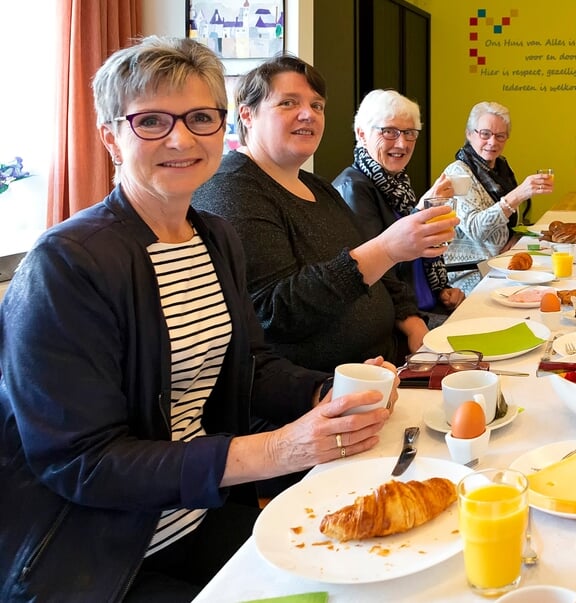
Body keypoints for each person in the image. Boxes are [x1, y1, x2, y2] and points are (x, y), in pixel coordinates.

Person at [0, 37, 396, 602]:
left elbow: (248, 365)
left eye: (199, 118)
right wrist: (282, 449)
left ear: (221, 129)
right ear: (111, 137)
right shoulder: (68, 263)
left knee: (367, 578)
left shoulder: (214, 238)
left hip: (201, 515)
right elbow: (83, 463)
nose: (181, 139)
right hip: (101, 556)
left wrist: (325, 393)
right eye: (152, 121)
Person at [193, 56, 456, 371]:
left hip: (393, 363)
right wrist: (387, 248)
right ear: (247, 115)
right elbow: (273, 314)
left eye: (317, 106)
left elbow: (382, 275)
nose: (308, 114)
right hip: (325, 391)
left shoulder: (318, 187)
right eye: (289, 103)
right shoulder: (232, 189)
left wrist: (414, 326)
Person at [333, 89, 466, 320]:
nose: (402, 143)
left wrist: (443, 289)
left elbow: (417, 259)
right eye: (389, 132)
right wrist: (422, 211)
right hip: (399, 319)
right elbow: (378, 273)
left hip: (430, 306)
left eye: (409, 133)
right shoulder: (352, 188)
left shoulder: (397, 184)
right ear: (361, 134)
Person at [443, 101, 553, 256]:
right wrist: (518, 195)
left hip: (502, 259)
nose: (492, 142)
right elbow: (476, 230)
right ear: (469, 134)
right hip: (473, 271)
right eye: (485, 134)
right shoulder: (458, 172)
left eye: (500, 136)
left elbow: (507, 223)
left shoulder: (500, 167)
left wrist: (515, 238)